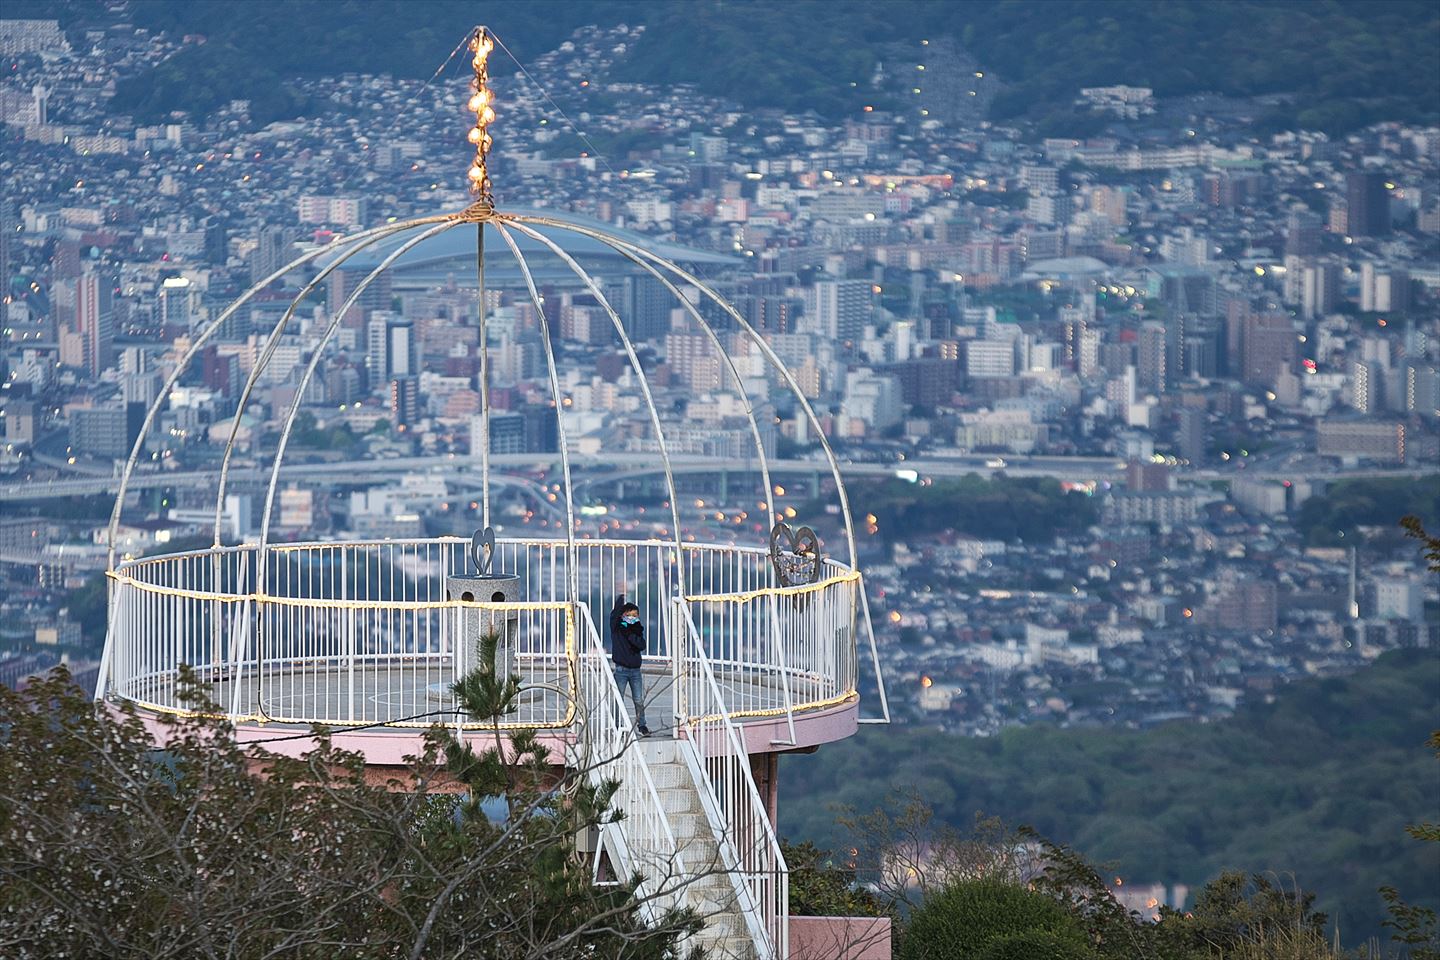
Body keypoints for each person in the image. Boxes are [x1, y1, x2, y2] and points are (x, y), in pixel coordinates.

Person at [609, 593, 650, 736]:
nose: (633, 618)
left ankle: (642, 725)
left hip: (635, 671)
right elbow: (614, 616)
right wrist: (620, 602)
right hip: (621, 670)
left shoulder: (637, 630)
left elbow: (641, 644)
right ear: (624, 614)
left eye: (635, 615)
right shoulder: (617, 628)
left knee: (639, 700)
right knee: (618, 700)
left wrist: (631, 635)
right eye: (630, 615)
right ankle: (616, 726)